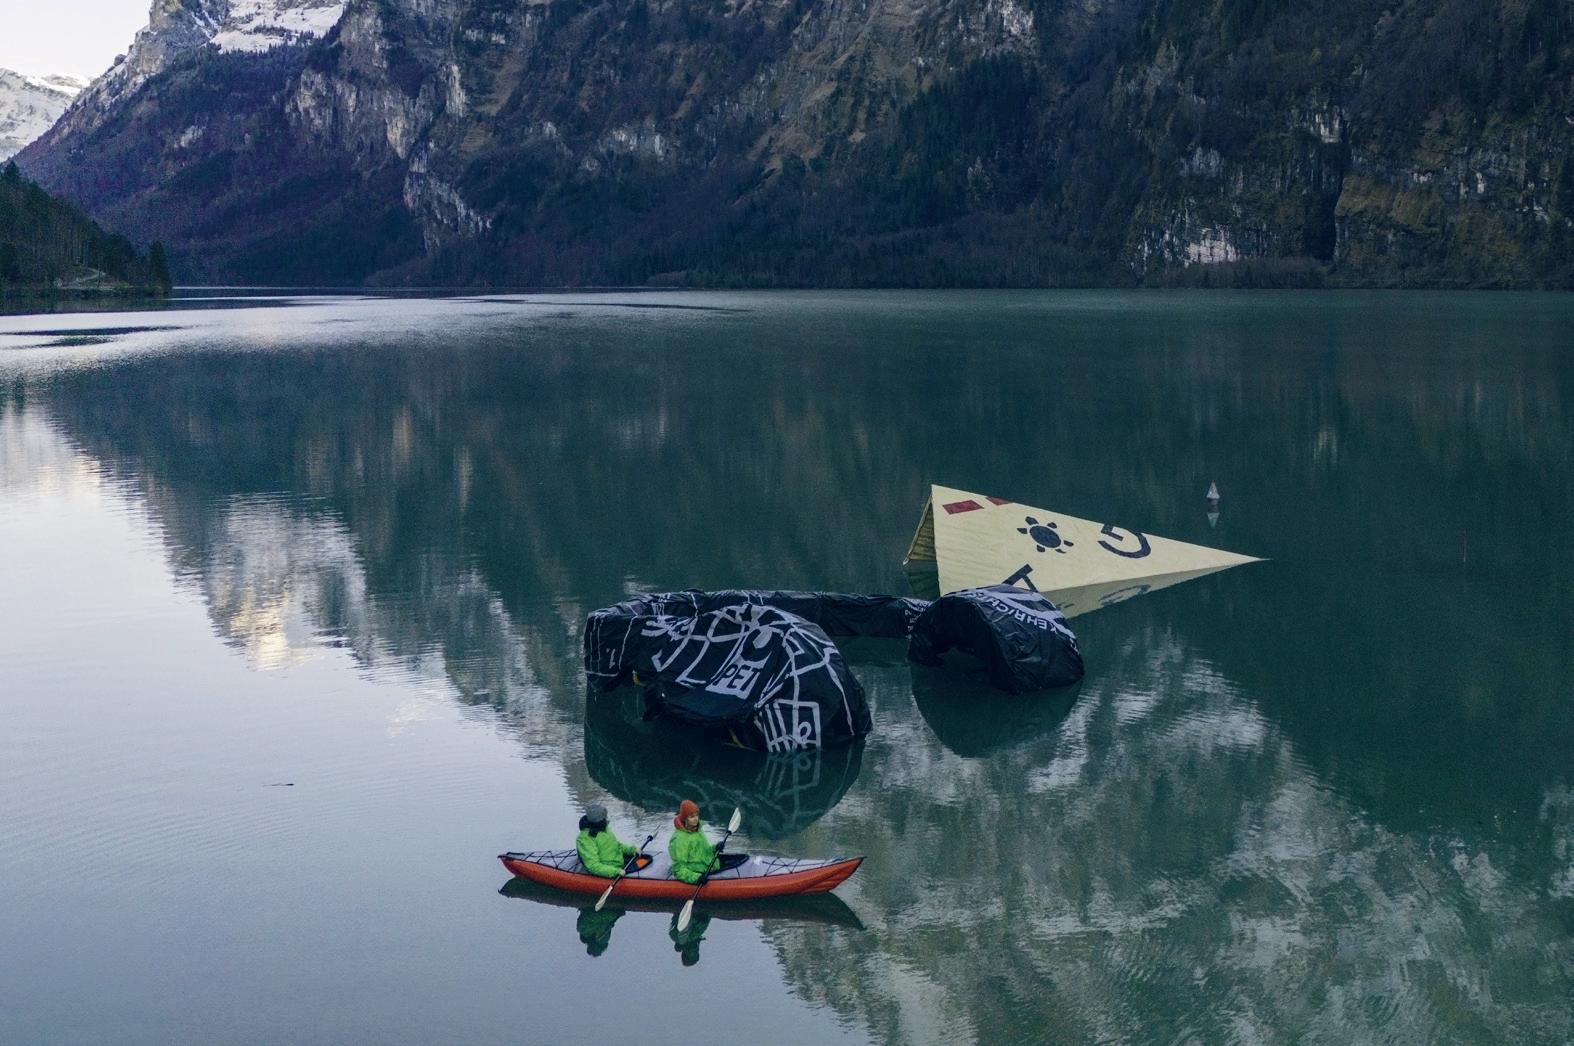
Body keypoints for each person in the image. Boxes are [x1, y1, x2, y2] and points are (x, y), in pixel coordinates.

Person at [575, 803, 638, 878]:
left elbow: (617, 845)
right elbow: (593, 865)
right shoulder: (585, 839)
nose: (606, 818)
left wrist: (632, 850)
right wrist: (615, 871)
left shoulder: (604, 828)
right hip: (608, 870)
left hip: (619, 864)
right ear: (599, 820)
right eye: (604, 817)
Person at [667, 799, 721, 885]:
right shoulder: (680, 839)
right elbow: (678, 869)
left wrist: (715, 848)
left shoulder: (697, 830)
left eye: (697, 815)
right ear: (685, 819)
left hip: (709, 867)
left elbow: (702, 853)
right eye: (692, 817)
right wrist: (696, 878)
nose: (696, 819)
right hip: (695, 873)